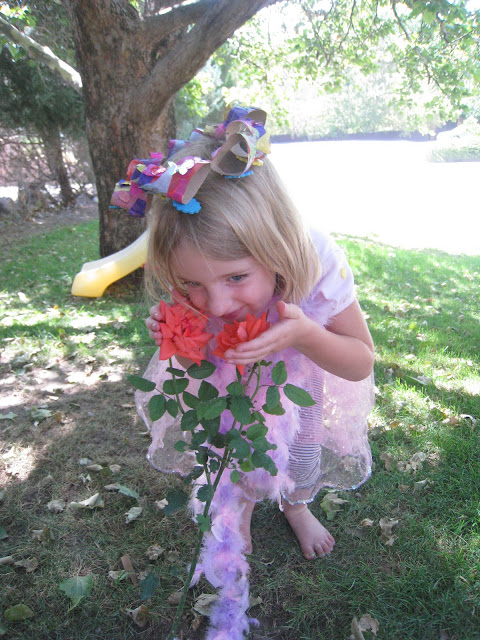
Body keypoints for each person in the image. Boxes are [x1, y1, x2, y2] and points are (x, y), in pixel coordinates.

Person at [124, 105, 374, 638]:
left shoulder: (318, 258)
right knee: (226, 441)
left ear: (277, 250)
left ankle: (296, 505)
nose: (215, 303)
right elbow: (199, 342)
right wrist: (178, 337)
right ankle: (237, 507)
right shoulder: (192, 262)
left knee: (298, 448)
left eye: (237, 277)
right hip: (222, 378)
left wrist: (305, 333)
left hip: (297, 376)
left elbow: (359, 361)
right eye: (192, 285)